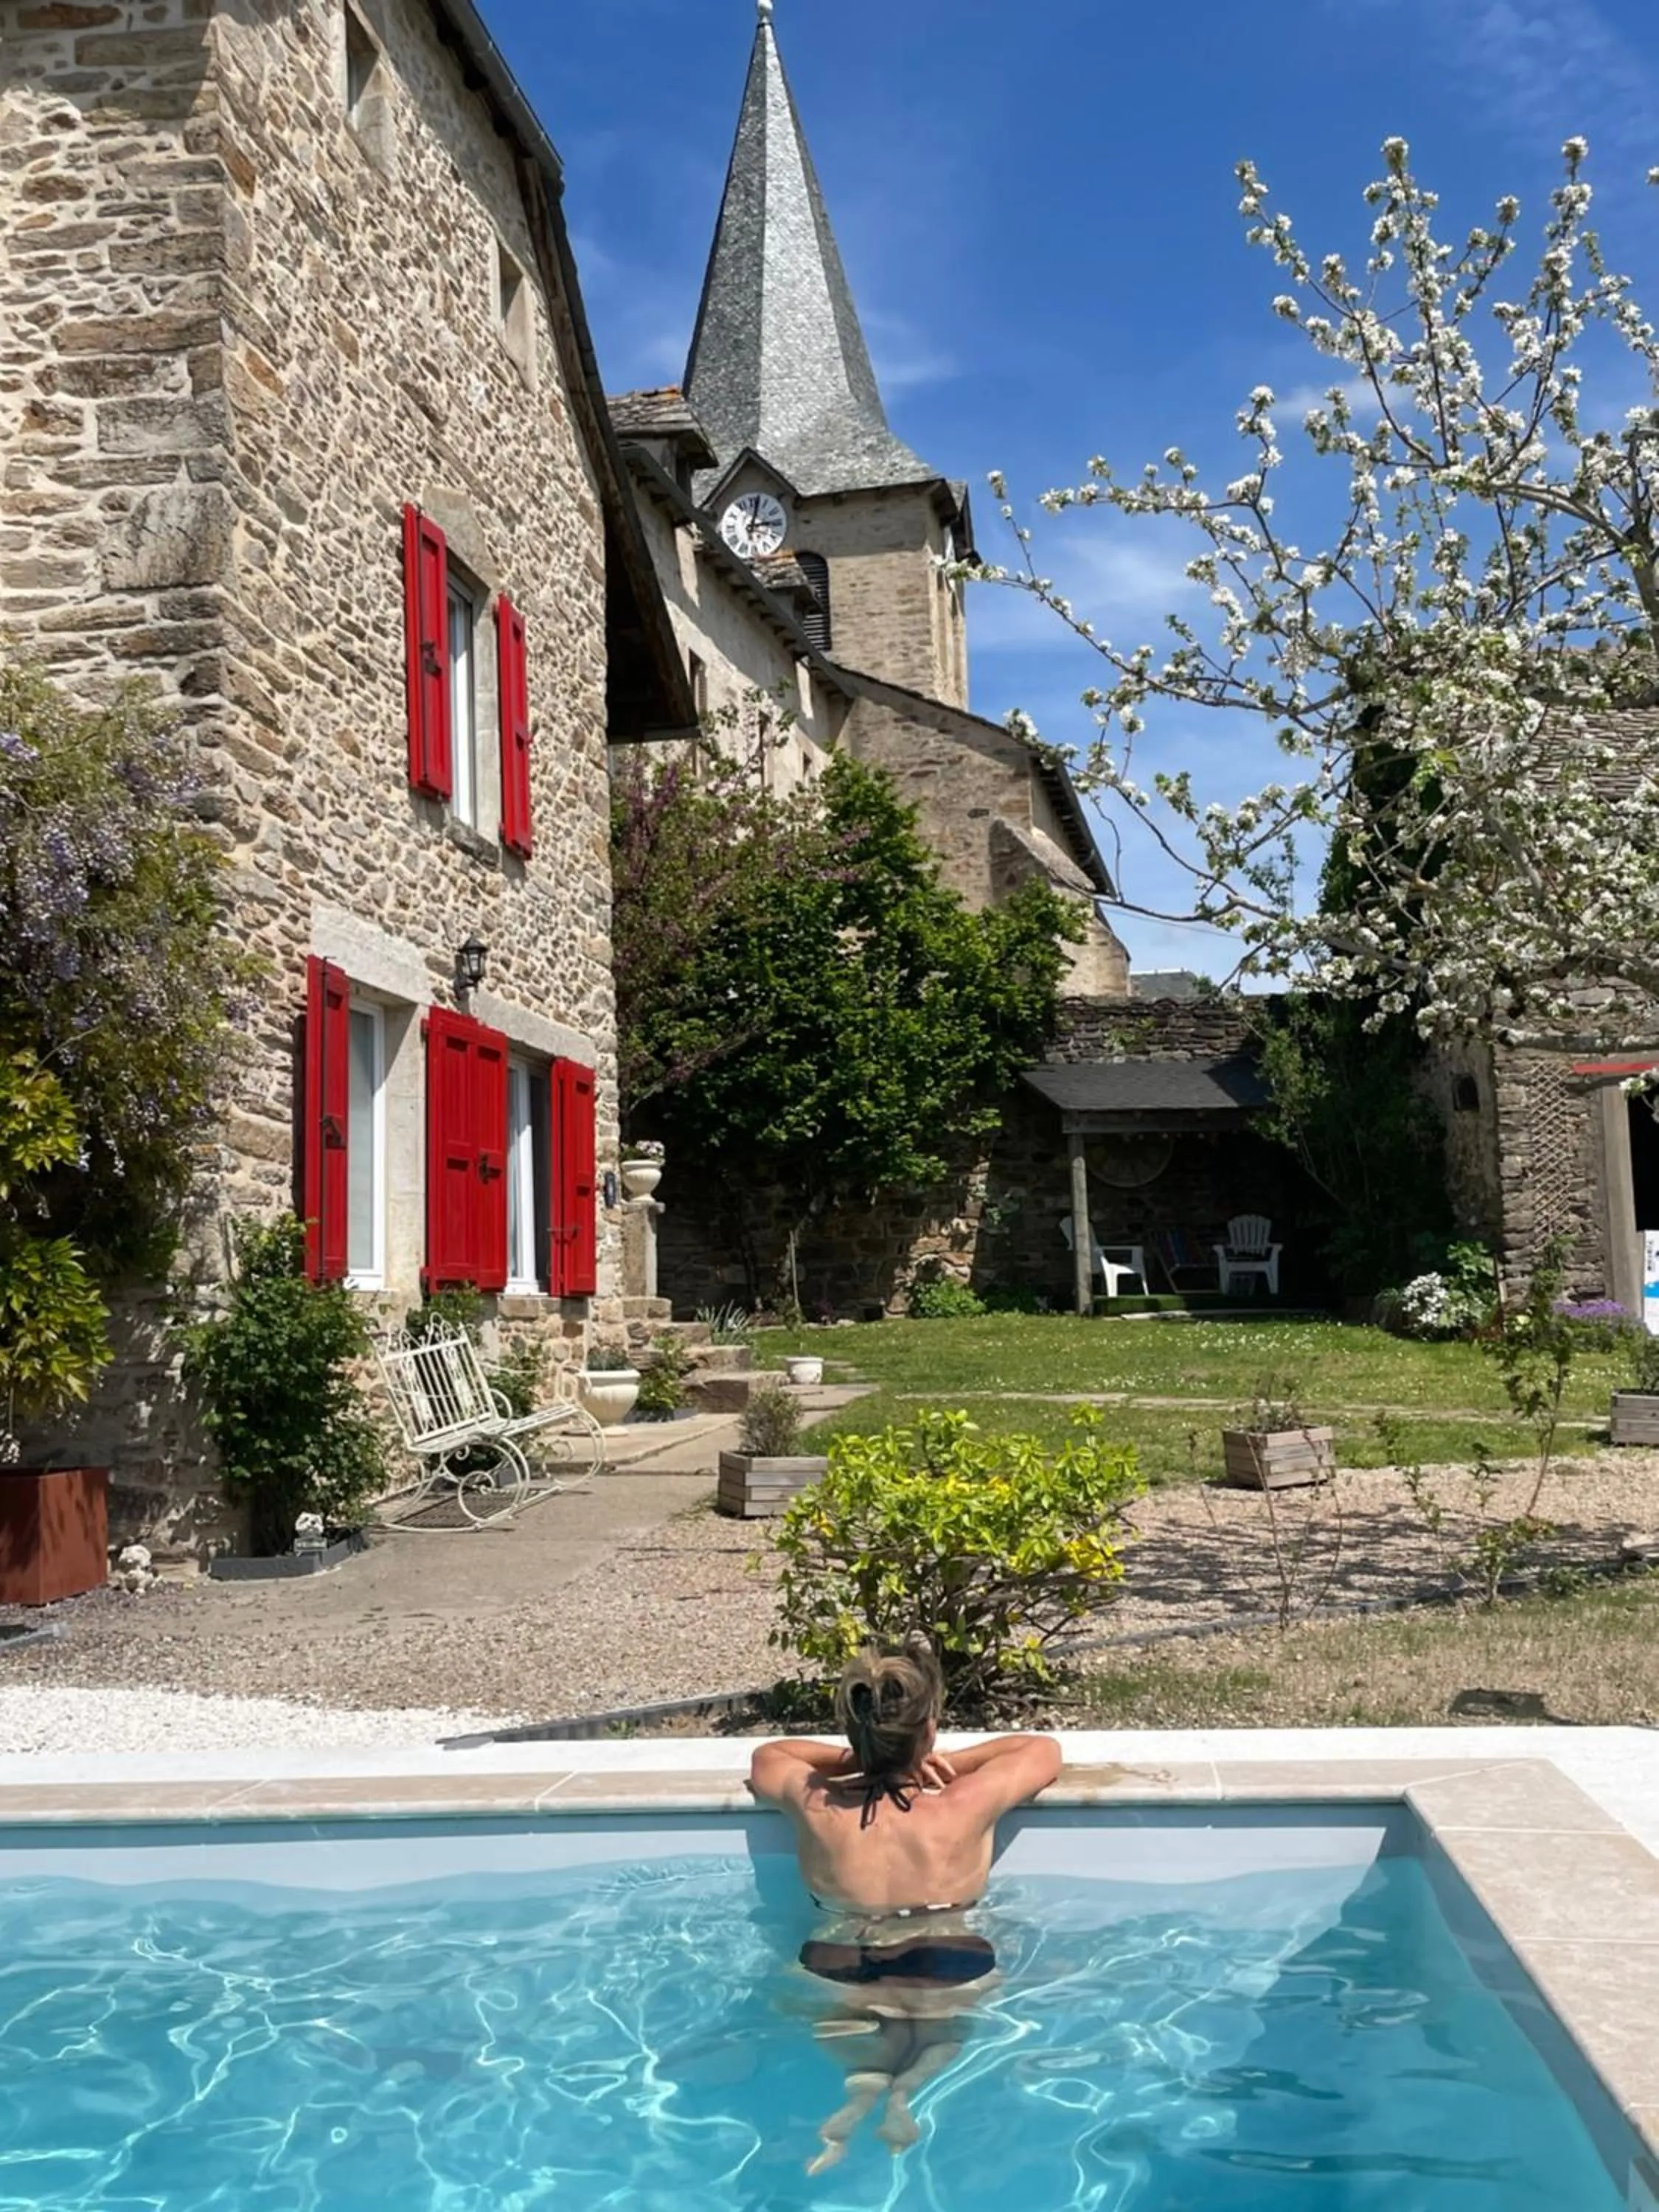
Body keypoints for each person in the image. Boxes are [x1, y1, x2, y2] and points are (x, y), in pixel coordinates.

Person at [748, 1635, 1061, 2172]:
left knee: (856, 2042)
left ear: (857, 1731)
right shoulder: (966, 1803)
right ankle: (905, 2095)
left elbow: (766, 1758)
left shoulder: (819, 1804)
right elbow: (1042, 1751)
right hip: (948, 1957)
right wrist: (948, 1762)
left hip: (842, 1959)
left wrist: (855, 1758)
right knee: (942, 2038)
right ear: (929, 1730)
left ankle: (861, 2093)